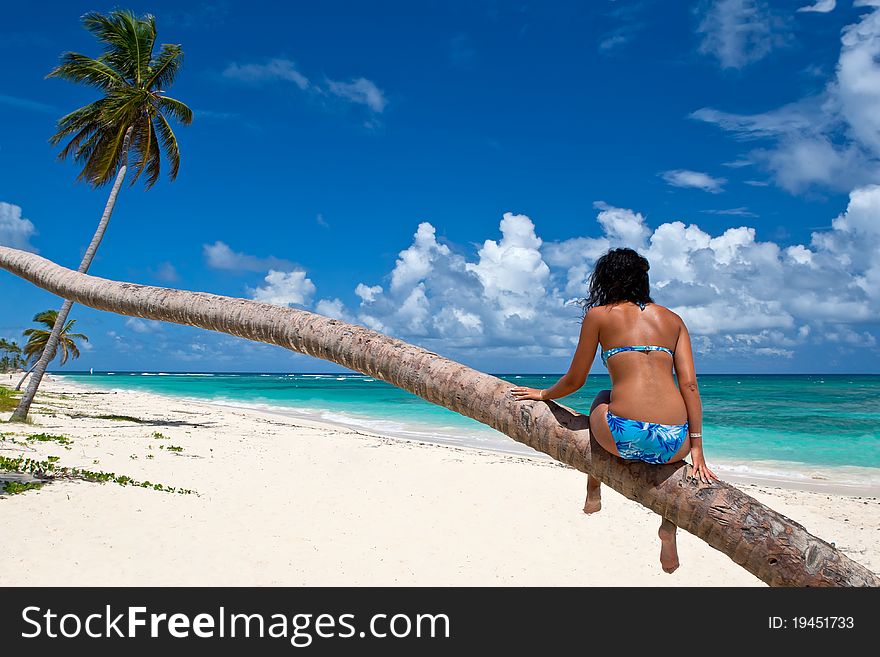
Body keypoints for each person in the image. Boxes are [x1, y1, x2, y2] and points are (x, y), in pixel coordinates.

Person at [510, 247, 717, 573]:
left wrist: (543, 393)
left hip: (623, 437)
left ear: (605, 280)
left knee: (604, 394)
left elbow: (575, 379)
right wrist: (698, 450)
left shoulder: (600, 316)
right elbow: (690, 387)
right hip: (675, 443)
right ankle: (669, 528)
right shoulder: (674, 321)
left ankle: (594, 484)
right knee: (671, 466)